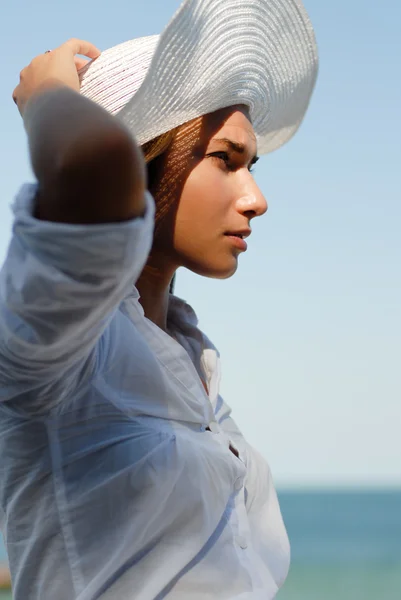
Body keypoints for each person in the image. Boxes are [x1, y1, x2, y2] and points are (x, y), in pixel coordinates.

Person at [1, 0, 318, 598]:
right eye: (226, 160)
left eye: (253, 166)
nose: (256, 198)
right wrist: (46, 99)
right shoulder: (60, 346)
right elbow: (97, 176)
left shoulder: (194, 363)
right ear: (143, 160)